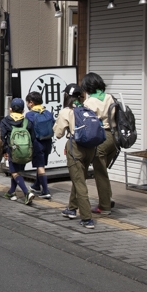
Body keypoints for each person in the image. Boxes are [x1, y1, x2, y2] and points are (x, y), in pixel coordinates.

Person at [54, 83, 96, 229]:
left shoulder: (66, 111)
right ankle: (71, 209)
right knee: (79, 178)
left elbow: (58, 134)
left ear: (66, 96)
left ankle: (86, 218)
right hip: (90, 148)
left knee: (79, 183)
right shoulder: (86, 109)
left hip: (76, 148)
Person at [81, 72, 117, 215]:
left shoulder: (89, 102)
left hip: (100, 138)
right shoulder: (110, 97)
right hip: (114, 139)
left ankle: (104, 206)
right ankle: (107, 199)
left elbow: (86, 124)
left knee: (100, 173)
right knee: (104, 172)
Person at [0, 98, 35, 205]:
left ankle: (26, 192)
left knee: (14, 172)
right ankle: (11, 192)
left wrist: (4, 150)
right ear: (23, 110)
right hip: (24, 150)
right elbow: (32, 137)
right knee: (17, 171)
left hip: (12, 150)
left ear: (10, 109)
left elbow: (1, 137)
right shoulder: (26, 122)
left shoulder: (6, 121)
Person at [26, 91, 55, 199]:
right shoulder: (47, 113)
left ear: (31, 103)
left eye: (28, 103)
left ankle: (46, 190)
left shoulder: (30, 115)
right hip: (47, 141)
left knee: (40, 166)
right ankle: (37, 185)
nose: (27, 105)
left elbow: (28, 128)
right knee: (41, 164)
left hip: (37, 142)